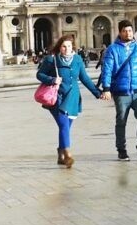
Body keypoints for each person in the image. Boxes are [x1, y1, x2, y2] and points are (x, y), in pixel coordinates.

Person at [36, 35, 102, 167]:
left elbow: (84, 78)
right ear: (59, 47)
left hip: (72, 97)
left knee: (65, 127)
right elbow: (39, 74)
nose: (66, 49)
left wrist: (97, 93)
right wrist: (52, 80)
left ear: (73, 47)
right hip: (57, 98)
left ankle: (60, 153)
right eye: (64, 46)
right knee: (63, 124)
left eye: (69, 46)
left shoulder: (77, 60)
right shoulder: (52, 59)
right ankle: (67, 154)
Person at [99, 20, 137, 161]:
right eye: (125, 31)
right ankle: (121, 150)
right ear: (119, 32)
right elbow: (107, 70)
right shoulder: (112, 49)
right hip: (121, 92)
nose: (128, 33)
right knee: (121, 121)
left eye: (130, 30)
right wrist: (106, 88)